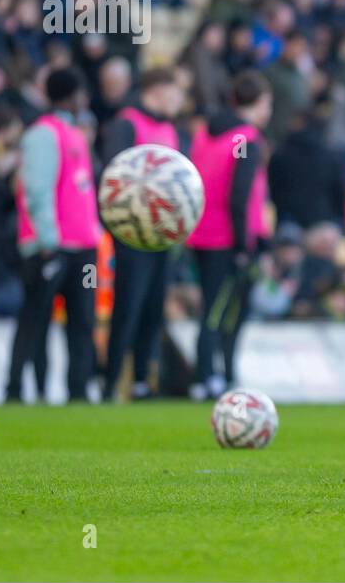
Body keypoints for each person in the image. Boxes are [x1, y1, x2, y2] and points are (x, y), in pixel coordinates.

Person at [7, 66, 102, 403]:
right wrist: (47, 239)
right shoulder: (43, 135)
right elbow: (36, 189)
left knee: (82, 319)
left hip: (84, 249)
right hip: (52, 247)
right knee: (35, 319)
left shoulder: (75, 132)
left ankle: (78, 389)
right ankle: (17, 388)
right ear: (73, 95)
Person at [99, 67, 185, 401]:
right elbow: (114, 173)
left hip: (162, 234)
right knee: (128, 305)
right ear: (160, 89)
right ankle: (110, 381)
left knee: (154, 306)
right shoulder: (127, 123)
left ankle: (141, 380)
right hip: (133, 232)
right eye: (176, 91)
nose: (179, 99)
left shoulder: (169, 128)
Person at [187, 71, 272, 400]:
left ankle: (213, 374)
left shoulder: (205, 135)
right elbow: (240, 195)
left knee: (211, 308)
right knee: (225, 310)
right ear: (258, 103)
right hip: (229, 238)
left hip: (201, 233)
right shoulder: (247, 139)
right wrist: (243, 243)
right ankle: (214, 375)